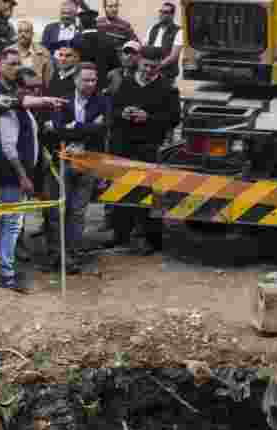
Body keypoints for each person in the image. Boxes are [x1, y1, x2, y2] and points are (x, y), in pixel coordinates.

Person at [109, 45, 180, 251]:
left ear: (160, 66)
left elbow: (174, 119)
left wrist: (148, 118)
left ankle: (151, 239)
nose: (149, 70)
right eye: (146, 65)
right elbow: (112, 110)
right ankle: (120, 235)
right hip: (123, 145)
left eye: (154, 67)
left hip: (150, 146)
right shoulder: (127, 83)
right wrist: (123, 113)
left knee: (149, 193)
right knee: (121, 190)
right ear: (139, 61)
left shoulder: (168, 88)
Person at [44, 62, 107, 271]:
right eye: (86, 80)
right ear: (75, 79)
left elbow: (103, 129)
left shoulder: (102, 101)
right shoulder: (61, 99)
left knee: (78, 213)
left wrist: (74, 127)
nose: (90, 84)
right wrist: (87, 128)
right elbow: (55, 130)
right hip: (61, 161)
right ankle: (56, 254)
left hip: (88, 162)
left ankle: (72, 255)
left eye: (94, 80)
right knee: (57, 211)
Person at [0, 60, 41, 292]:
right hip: (12, 176)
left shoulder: (25, 110)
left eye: (37, 87)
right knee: (11, 223)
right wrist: (23, 176)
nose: (35, 92)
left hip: (18, 175)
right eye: (30, 88)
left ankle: (2, 265)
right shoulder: (10, 111)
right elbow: (9, 148)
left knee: (9, 222)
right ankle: (6, 272)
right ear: (18, 88)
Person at [145, 2, 182, 83]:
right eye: (161, 11)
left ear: (172, 15)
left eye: (165, 12)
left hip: (167, 73)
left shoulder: (178, 31)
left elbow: (173, 56)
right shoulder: (152, 28)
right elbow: (145, 48)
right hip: (149, 71)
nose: (161, 14)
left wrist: (157, 67)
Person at [16, 20, 52, 89]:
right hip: (15, 93)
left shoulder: (43, 52)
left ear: (32, 34)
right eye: (20, 31)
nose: (23, 34)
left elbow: (48, 80)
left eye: (26, 31)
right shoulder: (8, 51)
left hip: (37, 93)